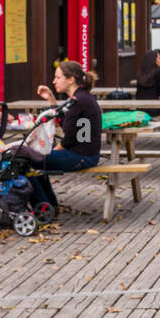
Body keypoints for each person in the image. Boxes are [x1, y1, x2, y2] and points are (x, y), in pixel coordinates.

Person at [30, 60, 102, 212]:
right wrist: (51, 99)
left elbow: (69, 138)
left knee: (28, 161)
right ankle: (49, 205)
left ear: (70, 79)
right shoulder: (82, 98)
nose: (53, 81)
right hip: (86, 154)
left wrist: (55, 150)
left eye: (57, 77)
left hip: (81, 156)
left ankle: (44, 207)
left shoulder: (78, 101)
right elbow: (66, 124)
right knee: (36, 159)